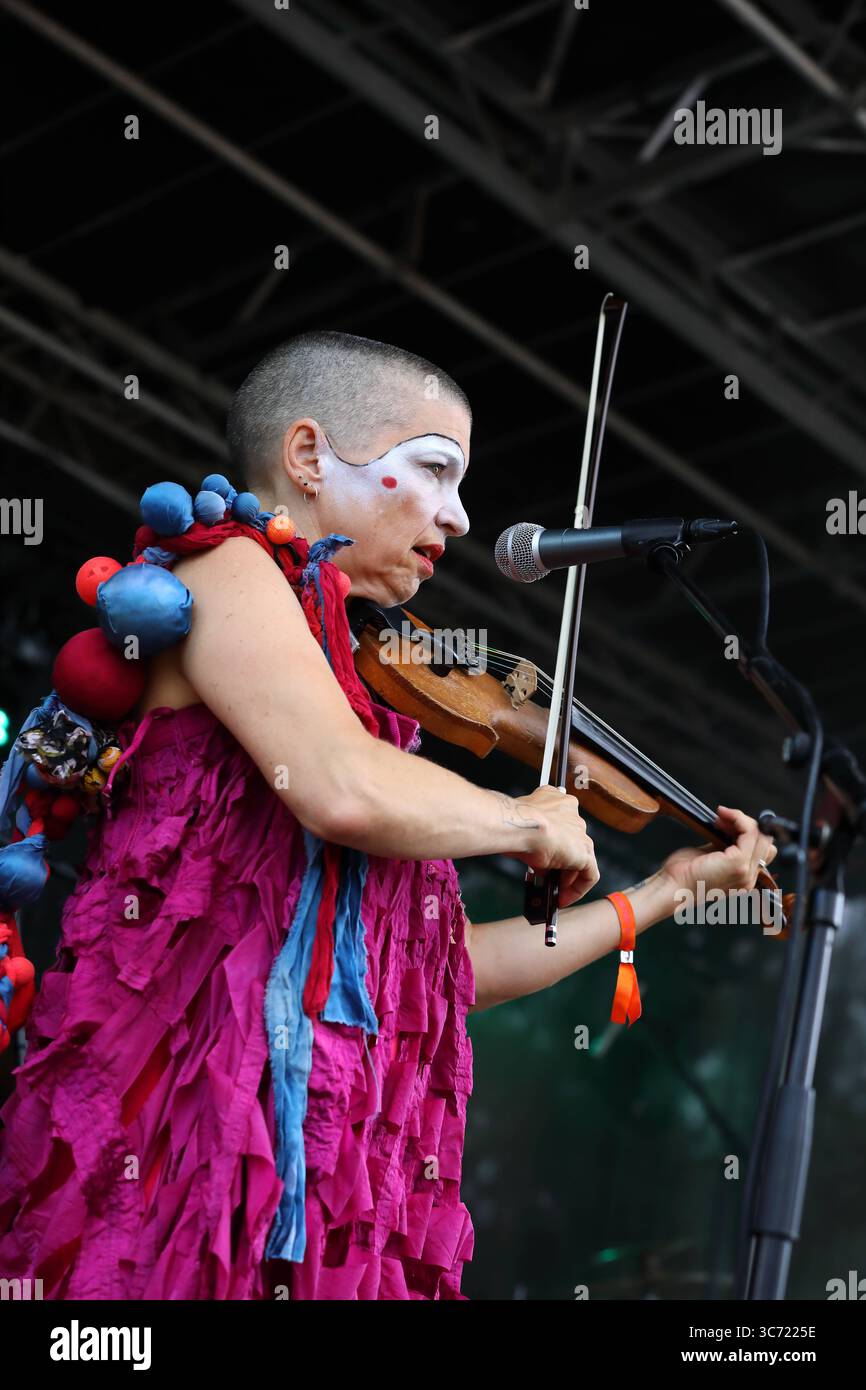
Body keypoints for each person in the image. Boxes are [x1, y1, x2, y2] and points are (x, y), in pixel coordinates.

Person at [0, 330, 776, 1300]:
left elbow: (442, 968)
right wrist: (522, 816)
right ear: (309, 456)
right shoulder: (227, 571)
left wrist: (666, 889)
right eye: (434, 470)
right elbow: (335, 783)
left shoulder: (368, 698)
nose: (455, 515)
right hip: (184, 1160)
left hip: (316, 1182)